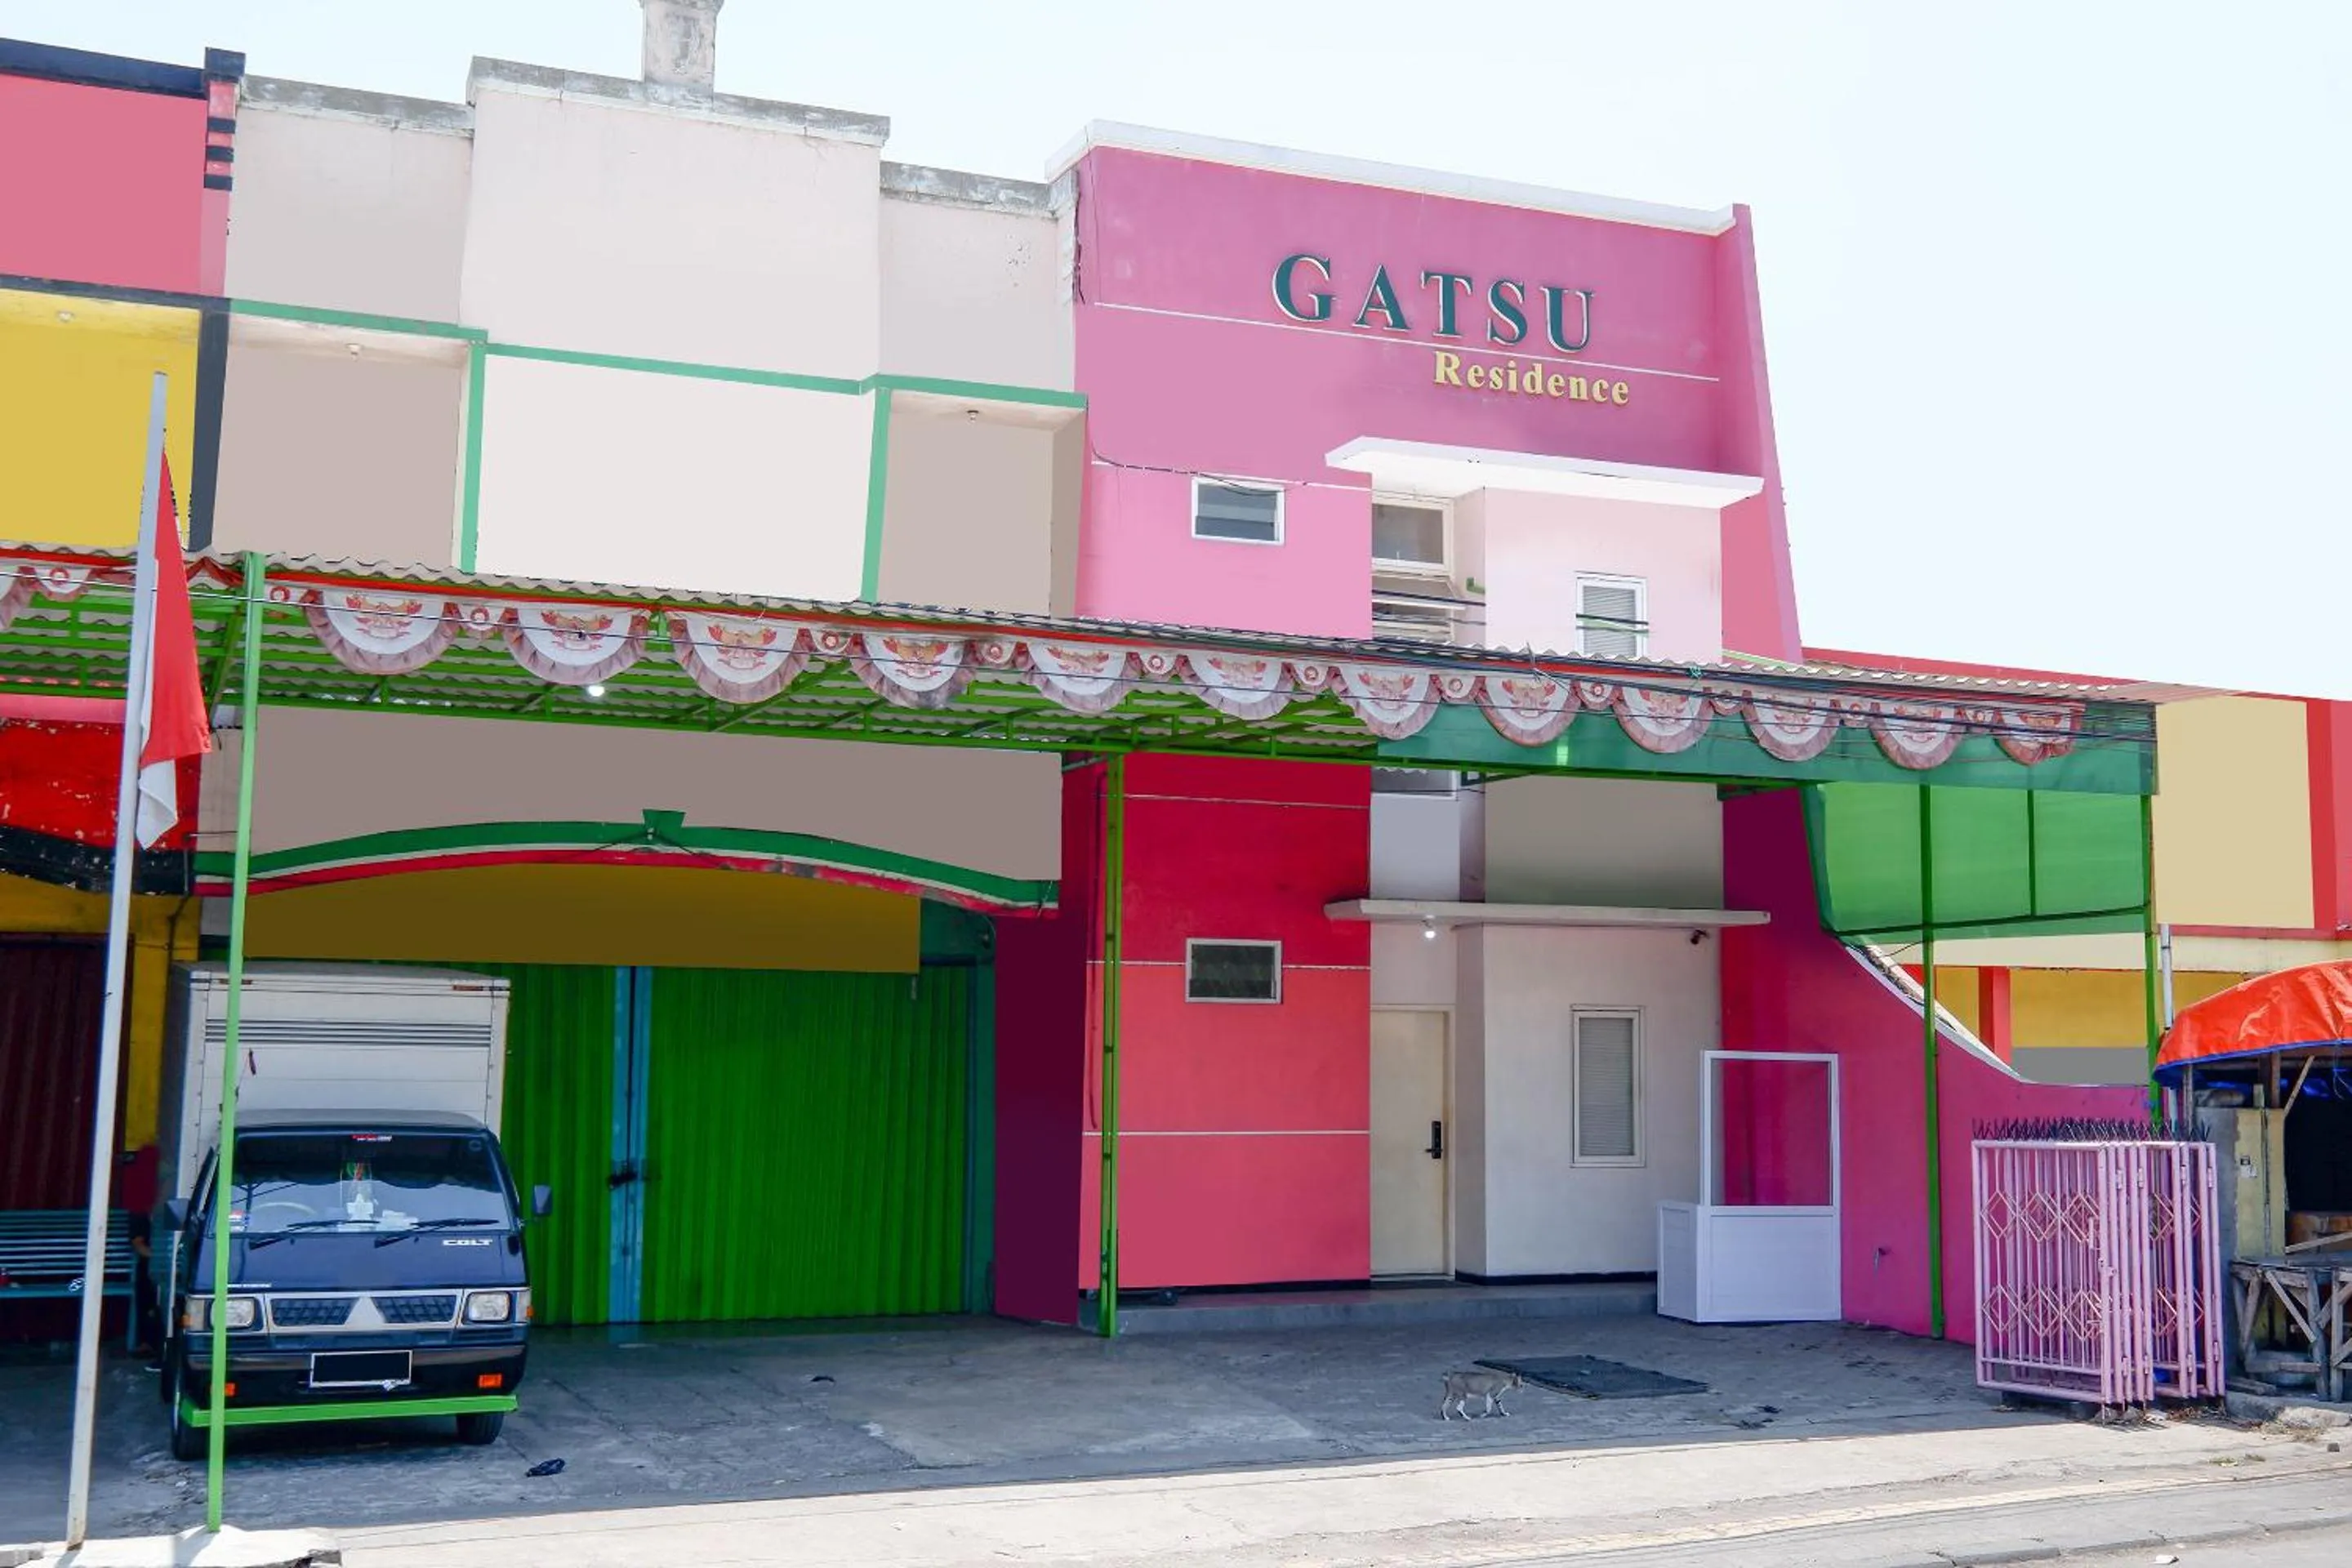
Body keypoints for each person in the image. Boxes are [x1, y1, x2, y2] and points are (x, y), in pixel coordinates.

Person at [114, 1146, 163, 1368]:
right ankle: (149, 1342)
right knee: (146, 1283)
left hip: (176, 1265)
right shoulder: (140, 1211)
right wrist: (160, 1259)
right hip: (154, 1265)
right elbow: (138, 1244)